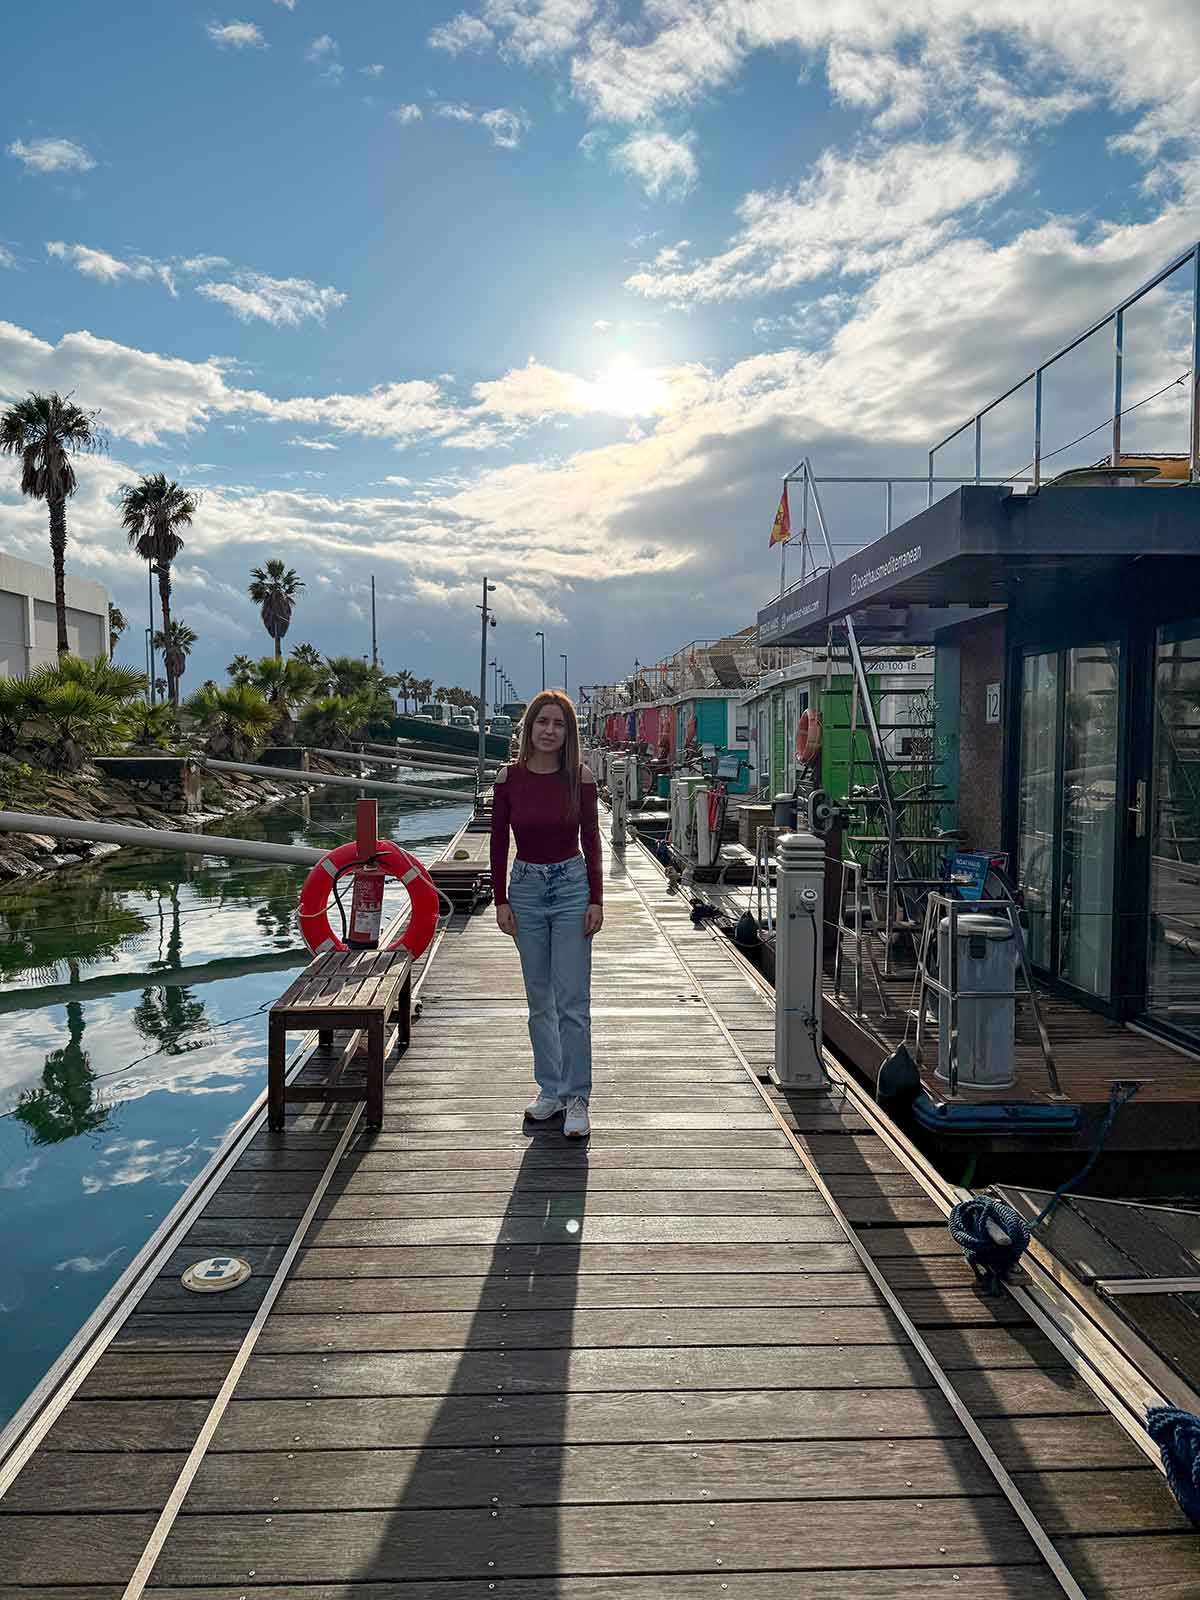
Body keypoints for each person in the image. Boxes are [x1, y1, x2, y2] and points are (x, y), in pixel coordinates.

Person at [490, 690, 603, 1138]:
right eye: (542, 722)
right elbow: (498, 842)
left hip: (572, 887)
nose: (549, 730)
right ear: (530, 727)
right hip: (526, 891)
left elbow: (592, 841)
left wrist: (596, 899)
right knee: (540, 1001)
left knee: (572, 1001)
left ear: (568, 732)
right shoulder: (508, 778)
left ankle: (577, 1097)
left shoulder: (581, 778)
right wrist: (500, 899)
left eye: (558, 724)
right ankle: (551, 1090)